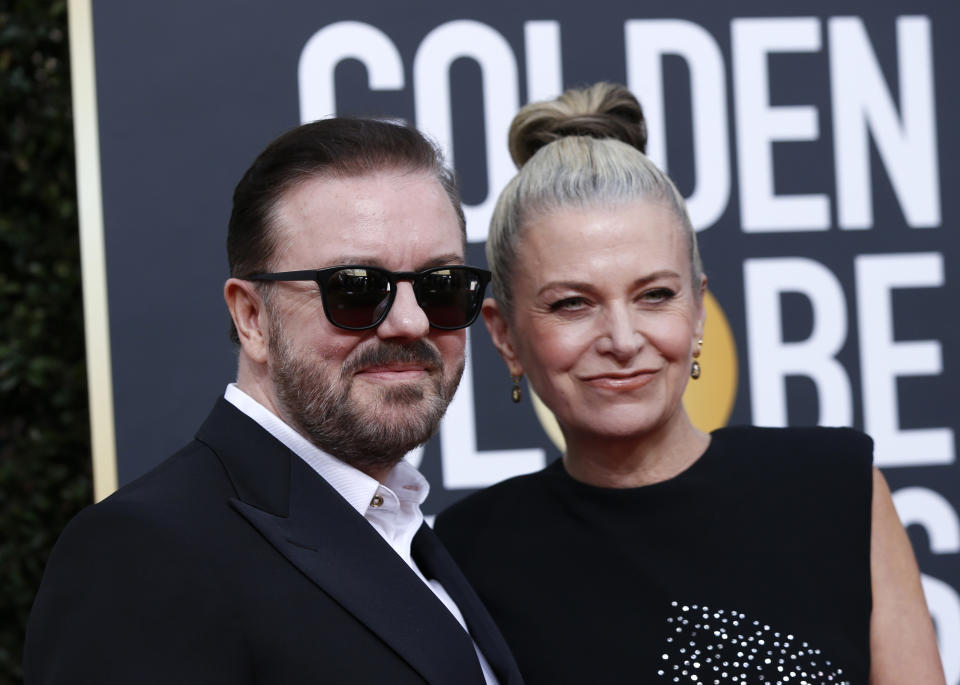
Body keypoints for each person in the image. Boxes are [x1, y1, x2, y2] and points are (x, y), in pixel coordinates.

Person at [434, 83, 945, 685]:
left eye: (655, 295)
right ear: (504, 336)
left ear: (698, 311)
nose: (622, 339)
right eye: (573, 304)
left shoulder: (836, 484)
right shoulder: (471, 554)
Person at [24, 118, 523, 684]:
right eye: (355, 288)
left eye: (441, 285)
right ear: (252, 317)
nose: (411, 322)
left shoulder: (408, 530)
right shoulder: (144, 553)